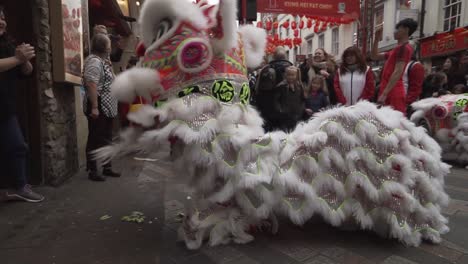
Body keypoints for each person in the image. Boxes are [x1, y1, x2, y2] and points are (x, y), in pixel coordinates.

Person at [0, 7, 44, 202]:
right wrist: (18, 59)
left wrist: (24, 61)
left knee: (17, 146)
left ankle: (18, 186)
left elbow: (26, 71)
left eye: (2, 17)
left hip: (5, 107)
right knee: (17, 146)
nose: (2, 21)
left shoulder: (7, 42)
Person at [83, 34, 120, 181]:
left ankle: (107, 167)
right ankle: (93, 171)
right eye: (109, 44)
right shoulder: (94, 62)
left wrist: (110, 69)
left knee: (106, 137)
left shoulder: (103, 62)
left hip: (107, 105)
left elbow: (113, 80)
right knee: (95, 137)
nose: (111, 47)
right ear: (104, 47)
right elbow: (91, 83)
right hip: (98, 104)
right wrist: (94, 107)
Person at [371, 18, 418, 114]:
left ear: (406, 30)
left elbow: (398, 71)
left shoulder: (404, 48)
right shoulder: (396, 50)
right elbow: (374, 56)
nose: (395, 32)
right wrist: (376, 39)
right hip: (388, 89)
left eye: (398, 29)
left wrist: (385, 93)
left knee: (394, 122)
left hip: (393, 91)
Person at [255, 47, 293, 132]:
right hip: (287, 111)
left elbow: (258, 92)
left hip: (268, 110)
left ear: (273, 56)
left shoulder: (266, 70)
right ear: (285, 56)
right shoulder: (293, 70)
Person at [274, 66, 305, 132]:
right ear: (285, 75)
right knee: (285, 131)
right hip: (285, 114)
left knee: (295, 130)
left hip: (296, 113)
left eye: (292, 75)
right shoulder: (281, 86)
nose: (290, 77)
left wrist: (301, 109)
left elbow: (302, 98)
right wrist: (280, 110)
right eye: (288, 75)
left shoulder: (299, 85)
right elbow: (276, 100)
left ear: (296, 75)